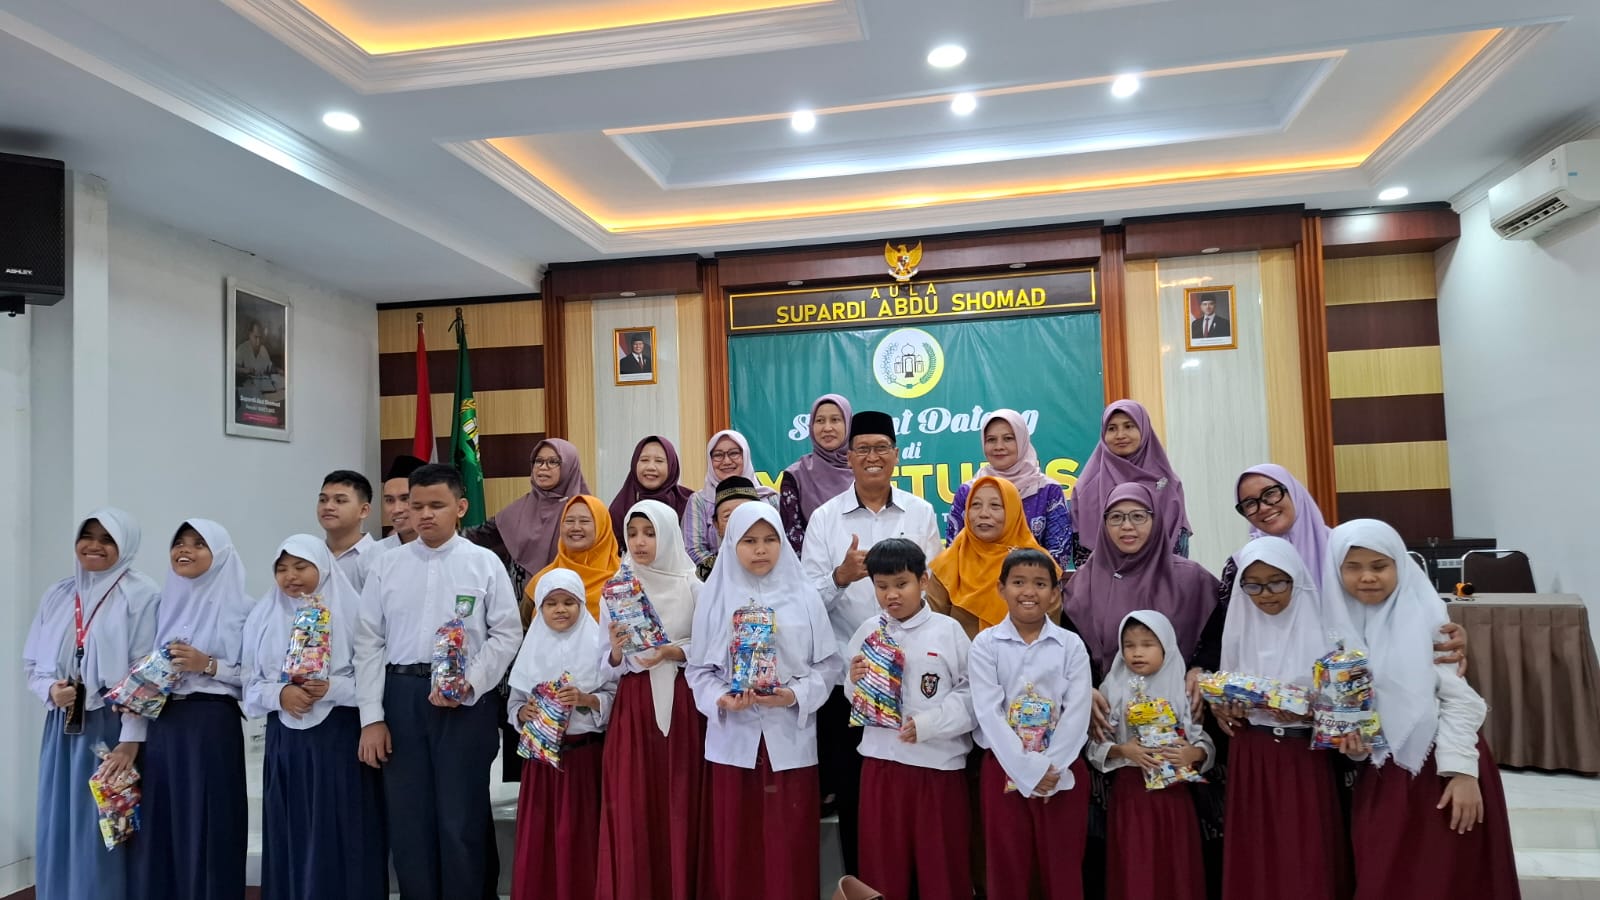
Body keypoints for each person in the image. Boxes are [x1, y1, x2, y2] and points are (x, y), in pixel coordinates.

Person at [354, 463, 523, 900]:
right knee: (409, 818)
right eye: (416, 506)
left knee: (461, 818)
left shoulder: (484, 563)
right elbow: (368, 642)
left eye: (436, 505)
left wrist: (472, 681)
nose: (424, 514)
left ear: (461, 507)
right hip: (402, 697)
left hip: (466, 703)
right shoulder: (386, 566)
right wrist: (372, 718)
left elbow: (507, 633)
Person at [1326, 520, 1520, 899]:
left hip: (1442, 769)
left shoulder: (1428, 620)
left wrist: (1462, 774)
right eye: (1353, 567)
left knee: (1447, 878)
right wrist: (1354, 745)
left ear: (1400, 565)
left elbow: (1460, 701)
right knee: (1386, 875)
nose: (1367, 577)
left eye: (1379, 566)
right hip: (1382, 776)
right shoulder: (1336, 628)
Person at [800, 409, 942, 871]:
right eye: (863, 449)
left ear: (896, 455)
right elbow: (805, 605)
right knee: (857, 800)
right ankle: (863, 887)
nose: (872, 457)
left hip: (916, 686)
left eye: (882, 448)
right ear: (849, 457)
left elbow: (936, 591)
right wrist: (840, 577)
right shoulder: (825, 519)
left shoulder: (920, 512)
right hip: (849, 685)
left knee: (912, 798)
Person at [686, 503, 841, 900]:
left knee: (788, 848)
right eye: (749, 541)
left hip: (790, 740)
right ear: (731, 544)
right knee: (736, 847)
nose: (760, 549)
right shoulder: (714, 597)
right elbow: (697, 670)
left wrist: (794, 695)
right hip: (732, 744)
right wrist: (721, 699)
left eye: (770, 539)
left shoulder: (804, 596)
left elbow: (827, 665)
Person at [1201, 464, 1466, 674]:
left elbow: (1405, 603)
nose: (1264, 507)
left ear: (1293, 491)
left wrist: (1440, 636)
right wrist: (1200, 669)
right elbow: (1226, 632)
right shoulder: (1244, 565)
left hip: (1362, 682)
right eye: (1250, 503)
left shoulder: (1345, 549)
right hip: (1280, 693)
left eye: (1271, 493)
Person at [23, 509, 160, 900]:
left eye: (107, 539)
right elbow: (32, 663)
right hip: (63, 726)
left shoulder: (141, 594)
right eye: (88, 536)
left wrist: (131, 740)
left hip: (113, 729)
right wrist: (50, 690)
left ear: (125, 545)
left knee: (104, 829)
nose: (95, 546)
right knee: (59, 822)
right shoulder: (60, 594)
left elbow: (146, 672)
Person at [1207, 536, 1351, 900]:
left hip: (1305, 757)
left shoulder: (1325, 627)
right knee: (1257, 850)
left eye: (1277, 582)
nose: (1265, 595)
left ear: (1296, 580)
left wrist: (1312, 711)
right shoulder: (1239, 623)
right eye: (1253, 585)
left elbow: (1347, 707)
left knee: (1305, 851)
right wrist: (1226, 707)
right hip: (1252, 753)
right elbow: (1227, 684)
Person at [241, 535, 385, 900]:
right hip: (286, 742)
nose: (291, 576)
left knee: (340, 828)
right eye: (282, 568)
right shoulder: (263, 616)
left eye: (301, 566)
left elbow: (375, 678)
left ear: (322, 567)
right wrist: (280, 694)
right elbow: (249, 686)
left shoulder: (354, 611)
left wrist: (332, 688)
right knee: (292, 830)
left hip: (339, 738)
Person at [128, 519, 256, 900]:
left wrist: (209, 664)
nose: (185, 550)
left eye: (199, 544)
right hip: (163, 721)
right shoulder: (160, 605)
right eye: (179, 542)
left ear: (220, 554)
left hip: (210, 721)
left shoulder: (245, 610)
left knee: (209, 820)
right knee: (162, 823)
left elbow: (256, 677)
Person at [844, 539, 974, 900]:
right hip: (881, 765)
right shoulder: (868, 632)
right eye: (881, 586)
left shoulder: (948, 632)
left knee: (943, 869)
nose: (891, 595)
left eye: (902, 584)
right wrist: (854, 681)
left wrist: (931, 725)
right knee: (881, 870)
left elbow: (972, 696)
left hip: (937, 768)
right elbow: (851, 692)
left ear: (924, 581)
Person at [596, 500, 706, 900]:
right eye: (632, 533)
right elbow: (604, 665)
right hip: (635, 706)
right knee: (635, 804)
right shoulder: (617, 588)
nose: (640, 542)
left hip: (682, 703)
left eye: (650, 533)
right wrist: (614, 650)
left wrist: (672, 652)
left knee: (680, 799)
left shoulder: (692, 585)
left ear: (669, 535)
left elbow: (710, 649)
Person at [969, 548, 1092, 900]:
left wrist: (1050, 768)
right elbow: (988, 712)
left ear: (1054, 593)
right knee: (1009, 867)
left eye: (1040, 584)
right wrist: (1027, 769)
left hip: (1061, 770)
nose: (1029, 592)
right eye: (1018, 582)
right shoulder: (985, 644)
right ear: (1001, 588)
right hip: (1003, 768)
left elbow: (1078, 710)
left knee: (1061, 868)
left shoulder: (1070, 645)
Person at [507, 568, 616, 900]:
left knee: (581, 838)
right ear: (540, 608)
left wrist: (586, 699)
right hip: (541, 767)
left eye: (569, 602)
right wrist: (522, 713)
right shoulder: (531, 648)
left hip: (583, 760)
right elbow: (515, 702)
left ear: (582, 604)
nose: (560, 610)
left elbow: (613, 697)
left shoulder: (597, 647)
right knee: (541, 839)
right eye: (551, 603)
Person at [1088, 610, 1212, 900]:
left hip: (1174, 797)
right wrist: (1123, 750)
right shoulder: (1112, 688)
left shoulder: (1183, 688)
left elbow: (1203, 742)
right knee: (1135, 866)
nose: (1137, 653)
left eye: (1147, 644)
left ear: (1166, 646)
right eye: (1129, 645)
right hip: (1130, 795)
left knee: (1175, 867)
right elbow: (1094, 746)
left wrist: (1192, 754)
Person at [945, 409, 1073, 575]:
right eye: (991, 440)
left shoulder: (1047, 490)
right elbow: (954, 550)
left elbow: (1058, 554)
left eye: (1008, 438)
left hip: (1031, 586)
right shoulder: (969, 491)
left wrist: (1018, 583)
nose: (999, 446)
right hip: (974, 586)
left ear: (1022, 440)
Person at [928, 475, 1056, 638]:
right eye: (975, 505)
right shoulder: (949, 562)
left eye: (995, 506)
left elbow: (1051, 632)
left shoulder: (1040, 565)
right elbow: (933, 628)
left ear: (1013, 511)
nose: (983, 514)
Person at [465, 438, 591, 599]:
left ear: (569, 466)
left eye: (553, 462)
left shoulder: (585, 509)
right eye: (538, 461)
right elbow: (480, 537)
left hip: (571, 599)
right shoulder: (518, 509)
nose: (543, 467)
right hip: (522, 602)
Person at [1070, 400, 1190, 562]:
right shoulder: (1087, 486)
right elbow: (1082, 551)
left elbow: (1178, 542)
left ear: (1144, 429)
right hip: (1104, 574)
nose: (1120, 435)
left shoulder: (1169, 483)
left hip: (1162, 573)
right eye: (1112, 428)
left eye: (1129, 426)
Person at [682, 430, 776, 565]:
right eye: (718, 455)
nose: (726, 461)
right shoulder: (699, 501)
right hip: (716, 576)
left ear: (745, 455)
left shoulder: (770, 498)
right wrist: (729, 570)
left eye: (734, 453)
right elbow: (694, 551)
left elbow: (783, 543)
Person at [778, 394, 855, 553]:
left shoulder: (862, 469)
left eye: (835, 420)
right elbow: (792, 536)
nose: (827, 428)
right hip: (813, 563)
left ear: (848, 424)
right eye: (820, 420)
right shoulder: (796, 475)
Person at [529, 495, 621, 624]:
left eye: (584, 521)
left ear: (602, 526)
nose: (576, 527)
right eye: (569, 521)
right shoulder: (543, 580)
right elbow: (523, 629)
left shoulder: (623, 578)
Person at [607, 435, 694, 545]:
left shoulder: (688, 503)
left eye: (659, 461)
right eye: (644, 460)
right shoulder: (620, 508)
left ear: (672, 465)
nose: (651, 467)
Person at [319, 469, 379, 591]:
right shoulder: (311, 555)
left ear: (363, 510)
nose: (328, 507)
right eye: (323, 500)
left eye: (339, 501)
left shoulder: (379, 557)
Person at [375, 455, 426, 553]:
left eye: (405, 498)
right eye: (390, 500)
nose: (397, 509)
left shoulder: (454, 553)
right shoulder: (373, 554)